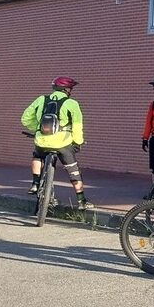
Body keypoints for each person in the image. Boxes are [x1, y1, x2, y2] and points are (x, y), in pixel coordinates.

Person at [20, 76, 92, 209]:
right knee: (73, 169)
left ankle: (35, 184)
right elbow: (77, 125)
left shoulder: (41, 99)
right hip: (62, 143)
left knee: (37, 155)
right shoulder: (72, 103)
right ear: (66, 90)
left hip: (42, 141)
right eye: (70, 88)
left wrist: (38, 129)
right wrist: (78, 142)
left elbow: (25, 118)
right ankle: (81, 201)